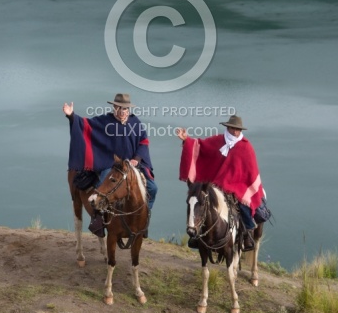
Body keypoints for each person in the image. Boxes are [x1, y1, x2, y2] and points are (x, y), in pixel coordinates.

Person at [63, 93, 157, 236]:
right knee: (102, 187)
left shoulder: (135, 122)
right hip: (111, 165)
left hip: (132, 166)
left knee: (152, 188)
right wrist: (71, 116)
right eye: (118, 108)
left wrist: (137, 158)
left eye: (124, 109)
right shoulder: (105, 121)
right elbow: (85, 126)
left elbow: (143, 142)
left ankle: (143, 218)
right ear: (114, 107)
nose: (121, 112)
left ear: (128, 109)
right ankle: (98, 220)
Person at [176, 114, 264, 251]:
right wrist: (186, 140)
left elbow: (250, 172)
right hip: (216, 184)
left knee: (244, 206)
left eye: (237, 129)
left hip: (237, 186)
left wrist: (237, 186)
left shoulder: (246, 147)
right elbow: (201, 146)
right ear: (227, 127)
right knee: (200, 204)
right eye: (232, 128)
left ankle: (247, 234)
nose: (235, 132)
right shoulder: (218, 140)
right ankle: (196, 235)